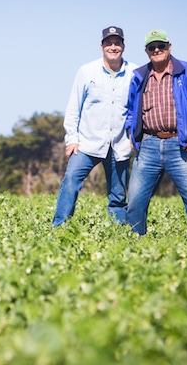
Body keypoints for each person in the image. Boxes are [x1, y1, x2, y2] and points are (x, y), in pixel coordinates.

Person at [124, 29, 187, 238]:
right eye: (152, 47)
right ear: (146, 51)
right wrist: (132, 134)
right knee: (134, 204)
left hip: (182, 146)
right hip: (148, 146)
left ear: (169, 47)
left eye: (161, 46)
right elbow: (130, 109)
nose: (156, 50)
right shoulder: (139, 76)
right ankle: (134, 247)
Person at [52, 26, 137, 226]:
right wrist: (71, 139)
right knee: (71, 181)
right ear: (101, 46)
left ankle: (118, 232)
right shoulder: (86, 71)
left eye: (117, 43)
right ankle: (59, 226)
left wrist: (135, 138)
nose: (113, 47)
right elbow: (74, 107)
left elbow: (138, 109)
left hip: (120, 145)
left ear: (123, 46)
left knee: (118, 195)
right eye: (109, 43)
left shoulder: (135, 72)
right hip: (87, 143)